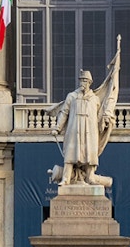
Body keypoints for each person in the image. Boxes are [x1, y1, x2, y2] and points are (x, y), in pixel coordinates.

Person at [51, 37, 120, 186]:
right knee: (70, 153)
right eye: (81, 80)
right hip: (74, 129)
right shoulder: (72, 96)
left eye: (85, 81)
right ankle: (66, 178)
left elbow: (100, 114)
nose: (83, 83)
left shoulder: (94, 99)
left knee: (89, 153)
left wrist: (106, 121)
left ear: (90, 83)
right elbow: (64, 112)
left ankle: (90, 176)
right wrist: (58, 127)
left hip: (90, 130)